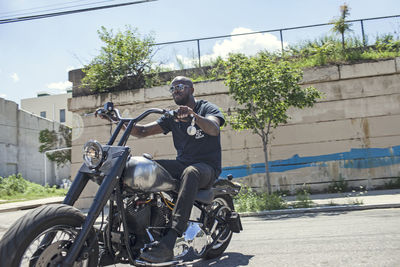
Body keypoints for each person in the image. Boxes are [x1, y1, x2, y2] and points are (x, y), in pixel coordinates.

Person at [102, 76, 225, 263]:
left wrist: (194, 116)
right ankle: (126, 226)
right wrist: (115, 118)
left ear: (191, 90)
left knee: (190, 172)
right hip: (182, 164)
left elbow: (214, 128)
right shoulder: (173, 116)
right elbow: (142, 131)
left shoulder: (206, 108)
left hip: (207, 168)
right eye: (173, 87)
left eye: (180, 86)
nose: (176, 90)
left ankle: (170, 241)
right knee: (142, 167)